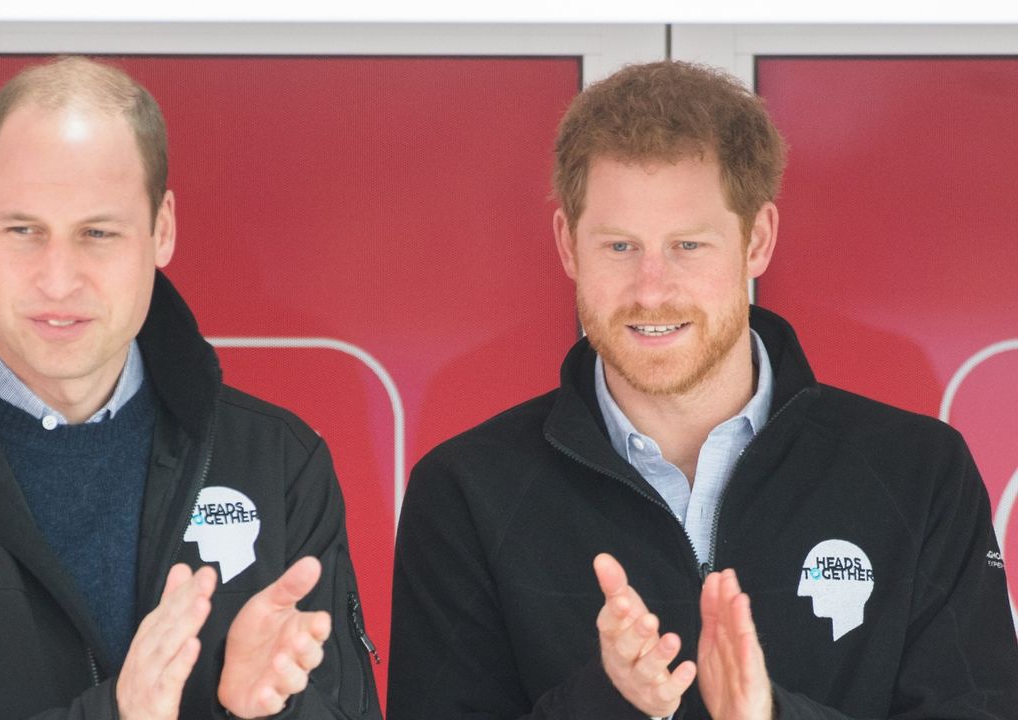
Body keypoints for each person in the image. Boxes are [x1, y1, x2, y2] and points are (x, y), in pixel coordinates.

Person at [0, 56, 380, 720]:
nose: (58, 280)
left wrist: (265, 712)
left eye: (97, 234)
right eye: (25, 231)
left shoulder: (278, 465)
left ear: (161, 228)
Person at [388, 60, 1018, 720]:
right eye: (620, 247)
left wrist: (769, 715)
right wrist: (607, 704)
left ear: (758, 240)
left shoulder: (920, 474)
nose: (652, 289)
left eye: (688, 245)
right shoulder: (465, 491)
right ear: (568, 246)